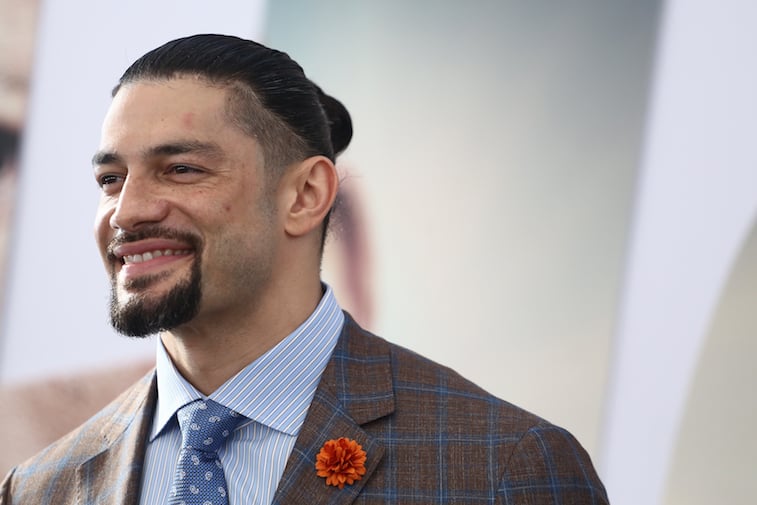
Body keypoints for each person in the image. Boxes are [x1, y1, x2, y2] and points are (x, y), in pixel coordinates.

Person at [0, 34, 609, 504]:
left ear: (306, 195)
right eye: (111, 179)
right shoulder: (39, 488)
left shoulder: (503, 466)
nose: (127, 211)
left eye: (181, 169)